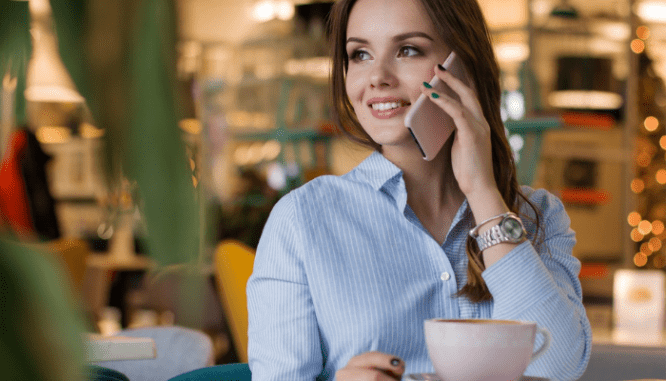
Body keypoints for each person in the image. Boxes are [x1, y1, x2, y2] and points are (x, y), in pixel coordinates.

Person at [246, 0, 592, 379]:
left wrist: (483, 194)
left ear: (463, 67)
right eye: (359, 54)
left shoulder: (536, 215)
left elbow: (558, 369)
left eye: (408, 50)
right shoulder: (302, 219)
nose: (377, 76)